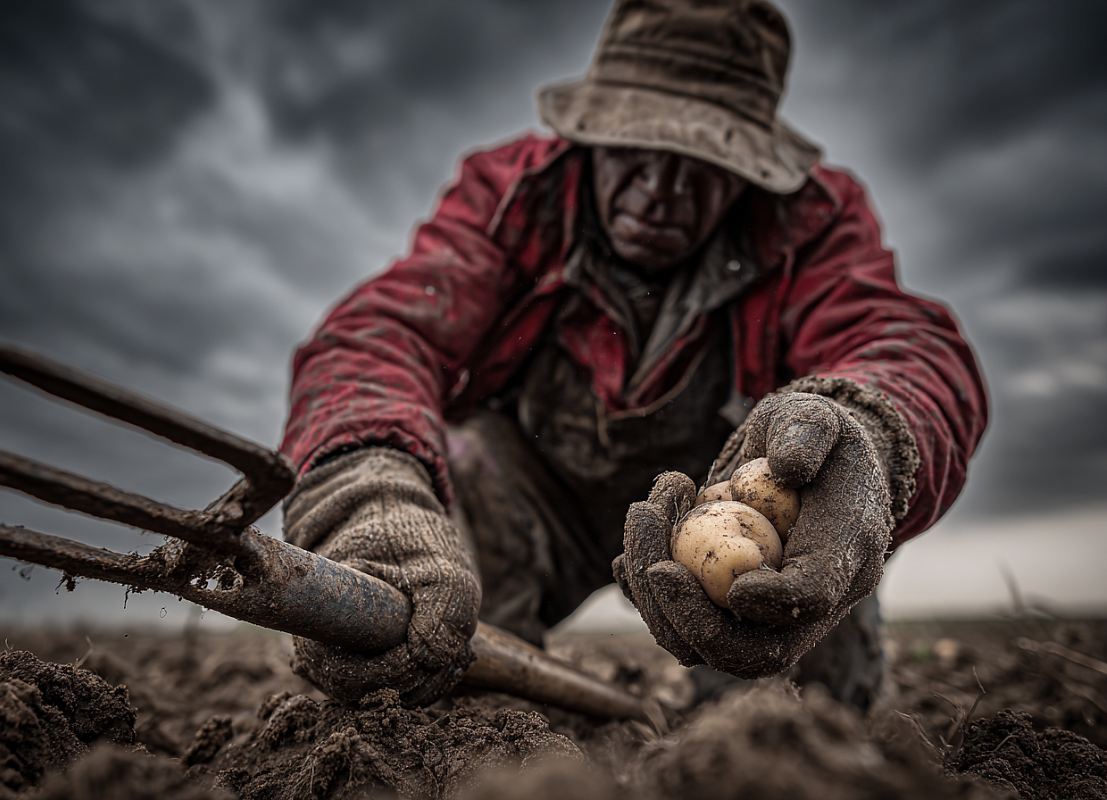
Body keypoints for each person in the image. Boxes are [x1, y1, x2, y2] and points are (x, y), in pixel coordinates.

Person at [279, 0, 987, 711]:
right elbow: (380, 333)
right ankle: (490, 730)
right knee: (457, 491)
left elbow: (903, 343)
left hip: (725, 498)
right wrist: (363, 482)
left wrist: (869, 430)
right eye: (633, 150)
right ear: (592, 130)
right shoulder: (515, 194)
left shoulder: (812, 221)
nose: (659, 192)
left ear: (749, 172)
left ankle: (763, 730)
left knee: (817, 578)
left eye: (700, 166)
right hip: (535, 502)